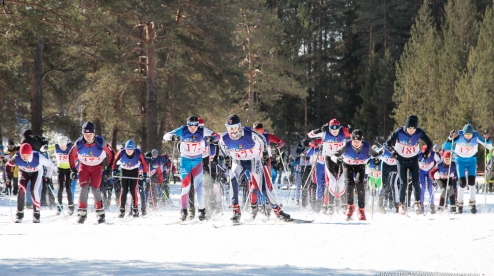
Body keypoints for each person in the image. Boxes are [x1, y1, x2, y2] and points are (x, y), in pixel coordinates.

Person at [218, 114, 290, 222]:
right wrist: (226, 158)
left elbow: (262, 140)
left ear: (239, 126)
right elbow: (221, 146)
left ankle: (278, 212)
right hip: (237, 161)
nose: (232, 131)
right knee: (233, 181)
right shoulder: (224, 138)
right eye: (229, 128)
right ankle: (236, 211)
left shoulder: (249, 133)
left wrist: (265, 153)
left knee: (263, 188)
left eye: (234, 127)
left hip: (253, 160)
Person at [163, 116, 219, 221]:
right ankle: (184, 211)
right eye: (190, 126)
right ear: (187, 124)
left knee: (199, 187)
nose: (193, 128)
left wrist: (212, 138)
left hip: (198, 161)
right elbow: (165, 136)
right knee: (186, 187)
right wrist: (172, 137)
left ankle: (202, 211)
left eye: (195, 126)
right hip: (185, 161)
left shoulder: (202, 131)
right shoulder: (182, 130)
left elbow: (217, 136)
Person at [383, 115, 433, 215]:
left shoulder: (419, 132)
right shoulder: (399, 132)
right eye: (409, 128)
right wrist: (393, 152)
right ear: (406, 127)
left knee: (416, 182)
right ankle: (401, 204)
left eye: (413, 128)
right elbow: (386, 143)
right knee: (403, 183)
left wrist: (426, 152)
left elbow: (429, 143)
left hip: (413, 159)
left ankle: (417, 203)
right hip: (401, 160)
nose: (411, 131)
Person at [68, 121, 113, 224]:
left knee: (95, 189)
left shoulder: (100, 142)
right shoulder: (79, 143)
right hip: (84, 167)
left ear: (94, 134)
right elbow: (71, 154)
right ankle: (81, 214)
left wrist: (109, 168)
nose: (88, 137)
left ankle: (100, 214)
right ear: (83, 134)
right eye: (86, 134)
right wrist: (73, 169)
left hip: (97, 167)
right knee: (83, 188)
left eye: (90, 134)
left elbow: (112, 153)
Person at [331, 129, 381, 221]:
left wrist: (377, 159)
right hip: (347, 165)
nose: (356, 143)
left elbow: (377, 155)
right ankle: (350, 206)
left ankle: (361, 209)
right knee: (349, 183)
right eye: (354, 141)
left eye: (358, 141)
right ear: (351, 140)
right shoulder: (346, 145)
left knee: (360, 183)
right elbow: (334, 155)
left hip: (360, 166)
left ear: (362, 140)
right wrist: (337, 159)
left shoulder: (366, 146)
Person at [443, 123, 492, 214]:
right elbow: (446, 147)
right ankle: (460, 204)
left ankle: (472, 203)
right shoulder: (459, 137)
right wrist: (450, 137)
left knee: (472, 182)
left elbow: (489, 146)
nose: (468, 137)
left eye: (470, 135)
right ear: (463, 133)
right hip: (460, 160)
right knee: (462, 183)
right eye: (467, 135)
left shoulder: (476, 137)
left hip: (471, 160)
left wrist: (487, 139)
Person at [308, 118, 351, 212]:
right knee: (332, 182)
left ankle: (344, 205)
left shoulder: (343, 131)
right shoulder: (325, 132)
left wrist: (351, 130)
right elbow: (310, 134)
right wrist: (319, 129)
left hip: (341, 159)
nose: (335, 132)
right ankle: (330, 205)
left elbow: (355, 136)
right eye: (332, 130)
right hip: (329, 159)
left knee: (341, 182)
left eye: (337, 130)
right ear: (329, 128)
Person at [5, 143, 54, 223]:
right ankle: (19, 214)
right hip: (24, 172)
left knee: (34, 190)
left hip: (36, 172)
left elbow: (51, 165)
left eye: (26, 155)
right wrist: (8, 178)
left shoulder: (38, 157)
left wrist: (48, 177)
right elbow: (8, 165)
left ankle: (36, 214)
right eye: (23, 155)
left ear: (30, 153)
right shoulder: (17, 157)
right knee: (21, 188)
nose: (24, 157)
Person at [112, 139, 148, 217]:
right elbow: (114, 161)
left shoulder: (138, 153)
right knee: (124, 190)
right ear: (125, 148)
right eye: (127, 149)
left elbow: (144, 164)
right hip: (124, 171)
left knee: (133, 190)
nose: (129, 151)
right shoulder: (121, 152)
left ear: (134, 149)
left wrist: (145, 174)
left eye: (131, 150)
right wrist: (114, 170)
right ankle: (122, 210)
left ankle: (135, 209)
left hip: (134, 172)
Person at [54, 136, 75, 215]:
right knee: (60, 188)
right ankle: (59, 207)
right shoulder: (56, 147)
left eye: (63, 145)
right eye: (60, 145)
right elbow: (45, 149)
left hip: (69, 170)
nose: (62, 147)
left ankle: (70, 207)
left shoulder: (71, 147)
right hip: (60, 169)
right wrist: (44, 147)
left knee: (68, 187)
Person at [418, 145, 441, 214]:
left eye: (427, 153)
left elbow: (439, 161)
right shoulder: (419, 154)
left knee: (431, 188)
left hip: (430, 171)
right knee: (422, 188)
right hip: (421, 170)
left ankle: (432, 205)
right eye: (424, 153)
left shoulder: (433, 154)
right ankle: (421, 205)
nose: (426, 155)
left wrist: (436, 169)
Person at [376, 146, 398, 213]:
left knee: (394, 184)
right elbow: (376, 154)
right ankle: (380, 204)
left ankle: (396, 205)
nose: (394, 147)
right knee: (384, 185)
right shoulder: (385, 147)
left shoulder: (400, 147)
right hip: (386, 165)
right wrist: (376, 159)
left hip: (396, 165)